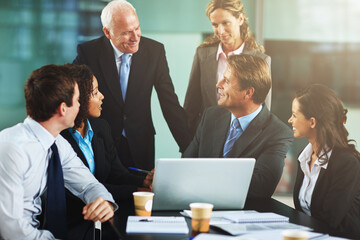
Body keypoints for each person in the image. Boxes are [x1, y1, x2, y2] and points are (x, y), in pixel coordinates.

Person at [0, 64, 117, 240]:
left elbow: (88, 184)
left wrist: (102, 201)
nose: (80, 106)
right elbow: (13, 231)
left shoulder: (56, 144)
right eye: (78, 100)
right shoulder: (12, 148)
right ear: (63, 109)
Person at [73, 0, 191, 171]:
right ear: (108, 32)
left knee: (143, 191)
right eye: (127, 32)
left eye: (137, 28)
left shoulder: (155, 51)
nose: (136, 37)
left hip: (141, 142)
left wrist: (189, 147)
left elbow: (169, 102)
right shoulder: (89, 52)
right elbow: (71, 90)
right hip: (102, 141)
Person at [61, 64, 153, 239]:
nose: (102, 97)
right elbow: (87, 186)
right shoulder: (60, 137)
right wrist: (139, 190)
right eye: (95, 92)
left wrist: (146, 180)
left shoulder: (101, 127)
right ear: (77, 99)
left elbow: (117, 174)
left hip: (105, 217)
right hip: (75, 223)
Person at [183, 54, 293, 199]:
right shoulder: (211, 116)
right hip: (199, 206)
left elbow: (261, 187)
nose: (218, 84)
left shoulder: (277, 133)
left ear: (248, 92)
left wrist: (203, 176)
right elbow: (186, 165)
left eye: (226, 81)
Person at [184, 0, 272, 137]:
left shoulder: (260, 60)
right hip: (207, 138)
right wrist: (187, 148)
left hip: (243, 140)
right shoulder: (202, 55)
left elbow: (263, 113)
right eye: (215, 24)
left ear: (240, 19)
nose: (220, 30)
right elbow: (191, 107)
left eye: (225, 23)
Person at [289, 84, 360, 238]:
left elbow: (330, 220)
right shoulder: (304, 157)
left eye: (294, 115)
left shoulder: (347, 164)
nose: (290, 120)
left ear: (312, 122)